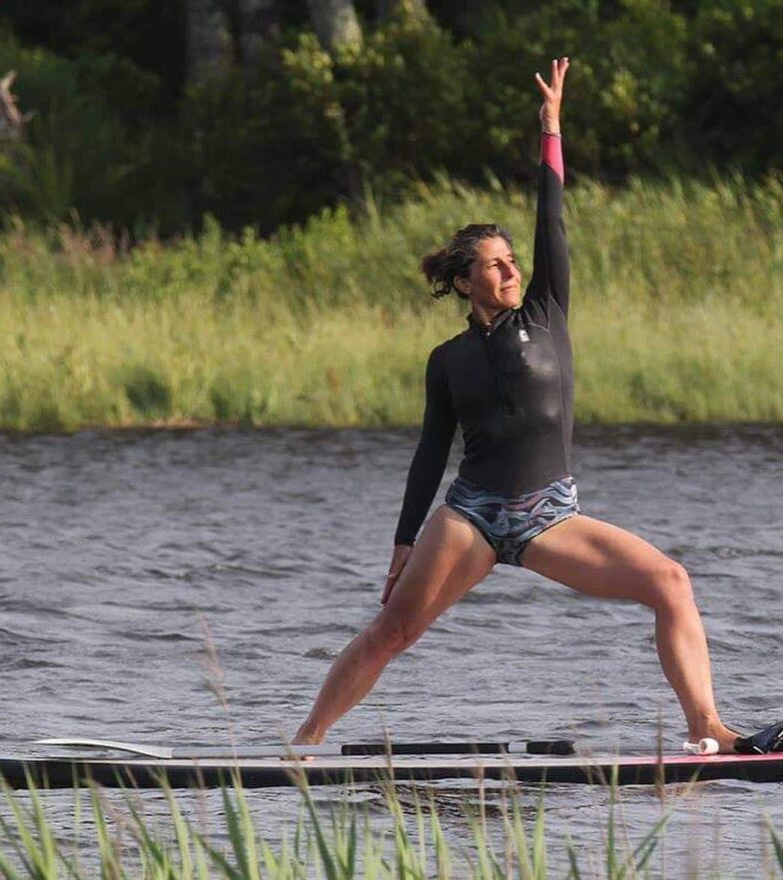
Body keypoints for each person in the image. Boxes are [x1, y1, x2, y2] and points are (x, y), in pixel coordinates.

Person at [294, 58, 739, 752]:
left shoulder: (548, 312)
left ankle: (706, 728)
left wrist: (551, 130)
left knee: (671, 582)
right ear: (466, 279)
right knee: (393, 630)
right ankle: (305, 742)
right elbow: (428, 455)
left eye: (512, 261)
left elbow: (551, 220)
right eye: (495, 265)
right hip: (468, 516)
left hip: (549, 516)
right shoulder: (447, 360)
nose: (511, 271)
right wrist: (405, 541)